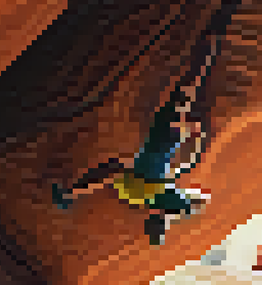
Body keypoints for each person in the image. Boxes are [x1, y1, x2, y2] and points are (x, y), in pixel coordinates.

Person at [52, 39, 216, 246]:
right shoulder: (166, 193)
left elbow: (188, 184)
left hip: (151, 166)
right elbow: (188, 168)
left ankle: (204, 54)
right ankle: (71, 193)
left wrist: (195, 136)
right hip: (146, 175)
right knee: (113, 168)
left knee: (187, 88)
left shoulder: (172, 196)